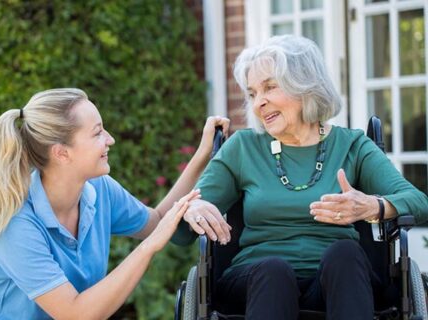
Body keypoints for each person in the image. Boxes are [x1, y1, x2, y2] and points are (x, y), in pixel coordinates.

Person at [172, 35, 428, 320]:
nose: (259, 103)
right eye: (253, 93)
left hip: (338, 281)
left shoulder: (352, 145)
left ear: (305, 85)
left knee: (345, 253)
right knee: (274, 271)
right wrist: (192, 209)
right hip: (256, 281)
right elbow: (180, 234)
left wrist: (374, 206)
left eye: (270, 87)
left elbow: (418, 202)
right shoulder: (243, 148)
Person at [0, 88, 230, 319]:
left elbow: (157, 221)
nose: (110, 139)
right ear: (61, 153)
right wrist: (149, 246)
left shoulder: (98, 190)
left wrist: (202, 154)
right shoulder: (16, 224)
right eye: (98, 132)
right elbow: (76, 314)